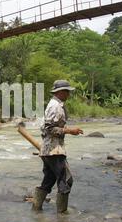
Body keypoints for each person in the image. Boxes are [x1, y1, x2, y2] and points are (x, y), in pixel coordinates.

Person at [32, 80, 84, 213]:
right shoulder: (55, 106)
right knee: (66, 180)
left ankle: (36, 209)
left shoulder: (56, 104)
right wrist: (69, 131)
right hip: (54, 150)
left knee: (49, 180)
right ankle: (62, 215)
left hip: (49, 150)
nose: (68, 94)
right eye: (67, 91)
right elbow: (49, 128)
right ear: (60, 92)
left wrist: (69, 130)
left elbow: (50, 127)